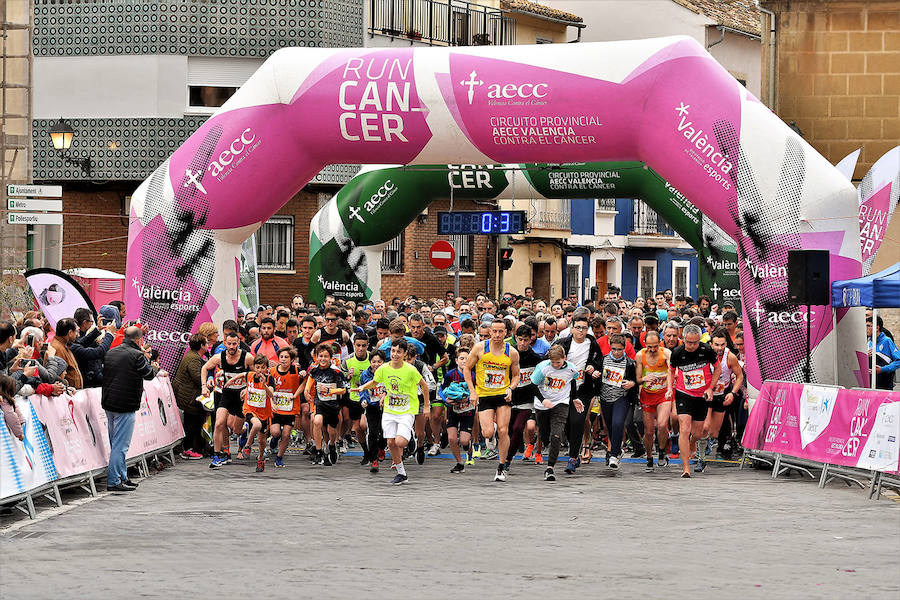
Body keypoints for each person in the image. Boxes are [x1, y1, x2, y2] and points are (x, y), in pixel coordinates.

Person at [353, 338, 430, 485]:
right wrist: (363, 387)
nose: (395, 354)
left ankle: (411, 437)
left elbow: (425, 386)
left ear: (404, 353)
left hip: (406, 409)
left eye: (399, 352)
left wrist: (426, 406)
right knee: (391, 442)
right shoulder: (384, 368)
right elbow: (375, 381)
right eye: (393, 351)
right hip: (390, 409)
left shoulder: (410, 370)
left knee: (400, 441)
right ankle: (402, 474)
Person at [101, 326, 162, 492]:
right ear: (139, 339)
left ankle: (123, 477)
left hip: (109, 402)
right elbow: (148, 374)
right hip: (125, 404)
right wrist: (154, 366)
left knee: (116, 443)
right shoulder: (137, 355)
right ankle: (114, 480)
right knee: (120, 446)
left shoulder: (111, 352)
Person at [464, 318, 521, 482]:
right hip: (484, 395)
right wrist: (472, 391)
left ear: (506, 333)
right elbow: (467, 368)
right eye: (494, 331)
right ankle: (492, 427)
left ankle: (501, 467)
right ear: (489, 332)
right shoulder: (480, 348)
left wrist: (511, 388)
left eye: (500, 331)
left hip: (503, 394)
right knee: (487, 432)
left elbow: (516, 375)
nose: (497, 334)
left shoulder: (512, 352)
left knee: (504, 431)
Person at [666, 324, 721, 478]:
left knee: (697, 433)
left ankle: (692, 444)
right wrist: (670, 388)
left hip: (701, 395)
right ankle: (686, 468)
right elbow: (670, 371)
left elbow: (717, 369)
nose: (692, 346)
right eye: (689, 342)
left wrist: (710, 387)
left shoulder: (706, 350)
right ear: (683, 339)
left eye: (695, 342)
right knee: (684, 428)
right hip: (684, 393)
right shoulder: (677, 352)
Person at [552, 312, 603, 473]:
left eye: (584, 328)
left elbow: (599, 362)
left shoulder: (592, 343)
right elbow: (551, 362)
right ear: (571, 328)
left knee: (578, 420)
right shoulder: (563, 344)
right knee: (566, 422)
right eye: (578, 327)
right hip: (565, 389)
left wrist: (593, 368)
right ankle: (573, 450)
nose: (581, 331)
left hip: (584, 389)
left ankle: (573, 458)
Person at [203, 332, 255, 469]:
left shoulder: (247, 357)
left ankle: (244, 429)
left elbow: (256, 374)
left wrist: (249, 388)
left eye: (234, 344)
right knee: (220, 423)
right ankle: (218, 454)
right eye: (229, 344)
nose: (231, 347)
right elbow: (205, 368)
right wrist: (204, 385)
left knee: (236, 430)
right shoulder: (220, 357)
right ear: (224, 343)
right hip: (226, 394)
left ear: (239, 343)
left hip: (241, 396)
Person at [531, 345, 582, 482]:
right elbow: (533, 385)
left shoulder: (571, 368)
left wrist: (575, 397)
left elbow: (572, 381)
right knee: (545, 434)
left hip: (561, 402)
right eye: (553, 363)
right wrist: (543, 400)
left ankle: (550, 468)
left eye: (558, 363)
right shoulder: (543, 367)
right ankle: (546, 443)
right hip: (543, 404)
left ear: (564, 358)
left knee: (556, 435)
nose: (555, 366)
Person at [701, 328, 744, 471]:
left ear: (726, 344)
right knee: (704, 426)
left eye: (722, 345)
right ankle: (699, 454)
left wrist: (732, 392)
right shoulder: (705, 355)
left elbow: (740, 376)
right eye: (716, 345)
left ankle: (714, 444)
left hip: (722, 392)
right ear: (711, 344)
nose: (719, 348)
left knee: (714, 431)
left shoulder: (730, 357)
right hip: (706, 393)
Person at [597, 334, 638, 470]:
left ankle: (614, 455)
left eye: (619, 349)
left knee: (618, 423)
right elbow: (595, 374)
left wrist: (632, 383)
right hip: (605, 398)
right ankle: (616, 450)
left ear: (624, 348)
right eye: (613, 349)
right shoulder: (602, 360)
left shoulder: (630, 363)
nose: (616, 352)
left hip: (622, 397)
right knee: (610, 427)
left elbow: (636, 380)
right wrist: (594, 373)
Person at [505, 324, 541, 474]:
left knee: (518, 427)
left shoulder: (535, 359)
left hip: (527, 401)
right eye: (520, 339)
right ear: (515, 338)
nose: (523, 343)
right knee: (506, 431)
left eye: (526, 340)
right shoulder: (509, 355)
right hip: (509, 399)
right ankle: (506, 454)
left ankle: (508, 459)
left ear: (530, 340)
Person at [305, 343, 348, 466]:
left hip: (333, 405)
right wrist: (307, 391)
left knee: (331, 431)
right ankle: (319, 451)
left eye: (326, 356)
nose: (323, 359)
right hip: (320, 403)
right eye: (320, 356)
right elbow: (310, 380)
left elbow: (343, 390)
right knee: (317, 421)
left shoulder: (336, 371)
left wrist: (330, 391)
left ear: (330, 358)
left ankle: (332, 445)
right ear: (316, 357)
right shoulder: (314, 370)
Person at [635, 330, 672, 469]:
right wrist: (644, 379)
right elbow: (638, 379)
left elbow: (672, 371)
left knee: (662, 425)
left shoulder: (666, 353)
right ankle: (649, 456)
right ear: (645, 344)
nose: (652, 349)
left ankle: (662, 451)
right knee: (649, 431)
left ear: (660, 343)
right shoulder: (640, 355)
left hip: (663, 394)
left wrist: (666, 382)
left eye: (655, 346)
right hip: (647, 395)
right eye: (649, 346)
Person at [439, 347, 476, 473]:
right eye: (461, 358)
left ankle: (468, 446)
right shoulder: (450, 375)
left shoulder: (473, 376)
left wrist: (469, 399)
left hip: (468, 411)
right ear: (456, 360)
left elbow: (479, 392)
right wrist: (445, 400)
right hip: (453, 410)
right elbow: (441, 389)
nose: (464, 361)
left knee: (464, 440)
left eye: (467, 359)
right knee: (452, 439)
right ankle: (459, 462)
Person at [171, 333, 208, 459]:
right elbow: (198, 378)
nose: (208, 345)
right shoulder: (194, 359)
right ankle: (188, 449)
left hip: (188, 396)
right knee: (192, 424)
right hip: (189, 398)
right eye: (206, 343)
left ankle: (194, 448)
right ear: (202, 345)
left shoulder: (193, 356)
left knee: (193, 423)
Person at [269, 346, 303, 468]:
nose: (283, 359)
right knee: (275, 432)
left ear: (292, 359)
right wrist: (271, 401)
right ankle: (274, 440)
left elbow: (304, 383)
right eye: (281, 357)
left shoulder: (296, 370)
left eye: (286, 357)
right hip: (276, 408)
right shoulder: (272, 371)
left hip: (290, 408)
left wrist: (295, 395)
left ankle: (279, 457)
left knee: (286, 434)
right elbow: (267, 388)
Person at [342, 333, 371, 464]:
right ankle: (366, 452)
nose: (360, 348)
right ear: (353, 345)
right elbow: (341, 380)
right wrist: (348, 376)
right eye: (358, 345)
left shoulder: (373, 359)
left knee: (366, 425)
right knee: (358, 427)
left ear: (367, 346)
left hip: (371, 398)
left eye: (363, 346)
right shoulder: (347, 361)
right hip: (354, 398)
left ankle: (375, 448)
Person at [71, 307, 116, 388]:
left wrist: (98, 329)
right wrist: (109, 334)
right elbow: (99, 352)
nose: (77, 329)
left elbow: (82, 341)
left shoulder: (74, 343)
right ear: (70, 333)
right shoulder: (73, 346)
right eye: (92, 321)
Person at [358, 349, 387, 472]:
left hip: (386, 407)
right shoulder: (365, 374)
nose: (376, 364)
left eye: (379, 362)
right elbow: (363, 389)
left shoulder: (388, 373)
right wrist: (363, 401)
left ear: (383, 362)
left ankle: (382, 446)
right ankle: (374, 459)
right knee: (373, 432)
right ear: (370, 362)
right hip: (371, 407)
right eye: (373, 361)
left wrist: (385, 396)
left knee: (385, 430)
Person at [50, 318, 84, 389]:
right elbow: (57, 377)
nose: (77, 335)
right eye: (76, 331)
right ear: (70, 333)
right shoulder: (57, 348)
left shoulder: (64, 345)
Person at [868, 315, 900, 390]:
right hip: (870, 386)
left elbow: (899, 361)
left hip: (885, 386)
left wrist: (883, 369)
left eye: (868, 326)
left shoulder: (887, 341)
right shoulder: (869, 342)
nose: (866, 329)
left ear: (876, 328)